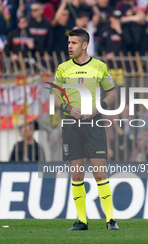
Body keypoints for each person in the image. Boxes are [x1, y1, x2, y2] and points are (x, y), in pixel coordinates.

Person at [53, 28, 119, 230]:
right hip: (71, 125)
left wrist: (97, 108)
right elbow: (55, 98)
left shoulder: (99, 67)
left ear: (84, 45)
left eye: (73, 43)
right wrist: (68, 108)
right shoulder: (63, 68)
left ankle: (110, 220)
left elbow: (112, 94)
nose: (69, 46)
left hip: (94, 124)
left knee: (100, 172)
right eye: (68, 42)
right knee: (77, 175)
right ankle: (82, 220)